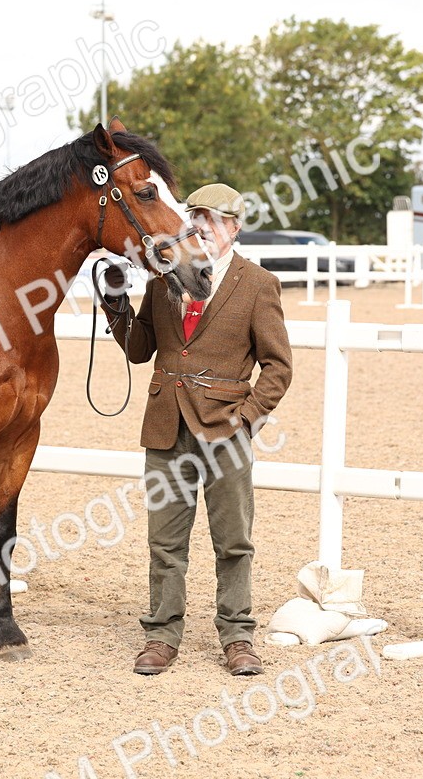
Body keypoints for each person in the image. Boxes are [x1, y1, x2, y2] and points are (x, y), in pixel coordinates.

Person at [103, 183, 293, 676]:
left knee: (233, 541)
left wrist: (247, 419)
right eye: (196, 217)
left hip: (226, 430)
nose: (202, 226)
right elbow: (140, 349)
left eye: (213, 219)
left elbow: (278, 367)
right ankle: (162, 635)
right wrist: (115, 304)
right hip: (166, 425)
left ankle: (238, 636)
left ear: (235, 227)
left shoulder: (258, 284)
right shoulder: (163, 277)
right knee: (165, 542)